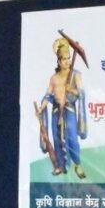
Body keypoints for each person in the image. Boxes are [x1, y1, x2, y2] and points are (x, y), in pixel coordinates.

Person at [36, 35, 87, 178]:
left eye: (69, 58)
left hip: (69, 110)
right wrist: (41, 108)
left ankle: (77, 165)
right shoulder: (53, 78)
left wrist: (71, 90)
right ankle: (60, 166)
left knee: (72, 139)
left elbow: (81, 93)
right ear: (58, 61)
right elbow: (48, 95)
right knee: (57, 139)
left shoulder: (76, 75)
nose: (67, 61)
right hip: (56, 112)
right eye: (64, 59)